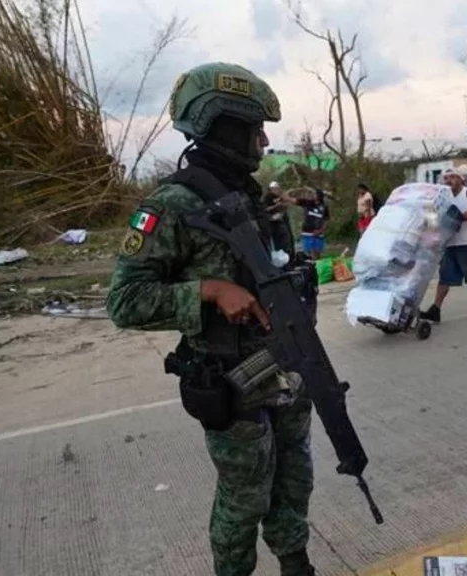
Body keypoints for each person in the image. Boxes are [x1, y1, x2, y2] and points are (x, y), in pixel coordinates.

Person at [105, 62, 316, 576]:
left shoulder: (254, 197)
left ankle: (296, 565)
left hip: (286, 363)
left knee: (295, 479)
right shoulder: (172, 205)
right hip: (231, 378)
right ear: (222, 124)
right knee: (245, 497)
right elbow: (125, 301)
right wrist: (209, 290)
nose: (263, 141)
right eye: (254, 128)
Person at [419, 167, 467, 322]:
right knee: (445, 277)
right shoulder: (441, 198)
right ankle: (436, 309)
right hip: (450, 244)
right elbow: (432, 219)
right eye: (446, 178)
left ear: (461, 179)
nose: (449, 181)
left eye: (453, 177)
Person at [296, 187, 329, 260]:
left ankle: (317, 267)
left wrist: (320, 230)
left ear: (319, 195)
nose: (313, 195)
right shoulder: (308, 203)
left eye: (314, 193)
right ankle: (310, 267)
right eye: (312, 193)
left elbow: (326, 220)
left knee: (317, 255)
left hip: (318, 234)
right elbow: (294, 200)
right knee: (309, 254)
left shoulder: (324, 207)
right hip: (307, 233)